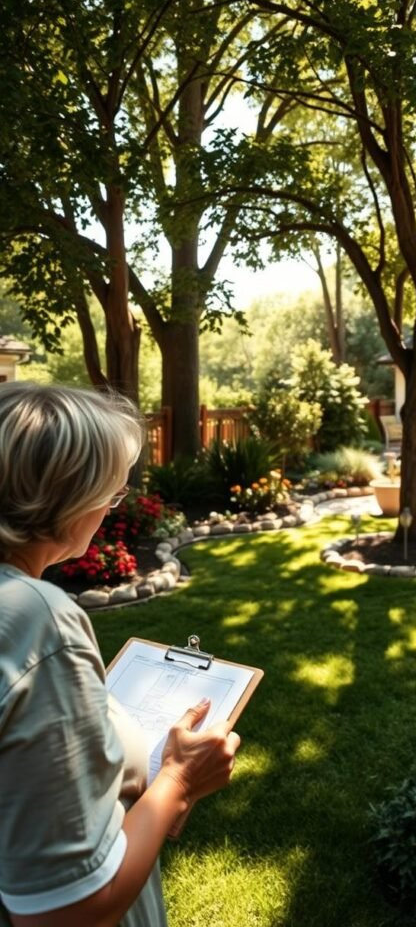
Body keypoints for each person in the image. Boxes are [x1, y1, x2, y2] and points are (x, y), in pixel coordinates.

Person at [0, 382, 240, 927]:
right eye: (110, 495)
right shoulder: (35, 619)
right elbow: (70, 911)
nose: (110, 511)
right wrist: (179, 780)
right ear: (64, 497)